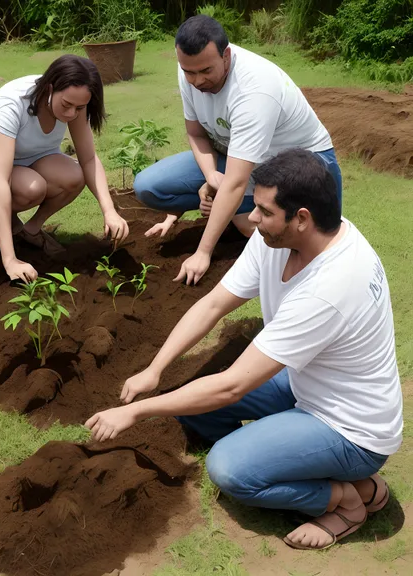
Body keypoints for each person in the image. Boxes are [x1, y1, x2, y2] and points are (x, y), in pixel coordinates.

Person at [86, 149, 401, 550]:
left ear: (302, 218)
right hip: (310, 382)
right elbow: (215, 304)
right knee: (193, 399)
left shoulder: (332, 285)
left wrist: (135, 409)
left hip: (350, 428)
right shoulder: (278, 240)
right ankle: (293, 458)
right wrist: (156, 369)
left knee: (230, 467)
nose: (251, 217)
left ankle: (346, 500)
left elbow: (232, 386)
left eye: (264, 211)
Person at [134, 15, 343, 286]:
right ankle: (238, 215)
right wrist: (211, 175)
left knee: (285, 234)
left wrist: (203, 252)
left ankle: (239, 218)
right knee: (149, 186)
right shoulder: (189, 68)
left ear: (227, 56)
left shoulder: (253, 90)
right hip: (239, 157)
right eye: (189, 72)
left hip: (303, 166)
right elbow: (196, 133)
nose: (197, 81)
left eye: (206, 71)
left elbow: (236, 181)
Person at [0, 54, 129, 282]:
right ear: (50, 88)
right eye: (67, 105)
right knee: (32, 187)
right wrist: (10, 259)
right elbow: (0, 180)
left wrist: (109, 211)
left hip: (31, 163)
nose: (71, 114)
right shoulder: (11, 104)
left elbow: (88, 159)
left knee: (74, 175)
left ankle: (30, 230)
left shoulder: (74, 104)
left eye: (80, 108)